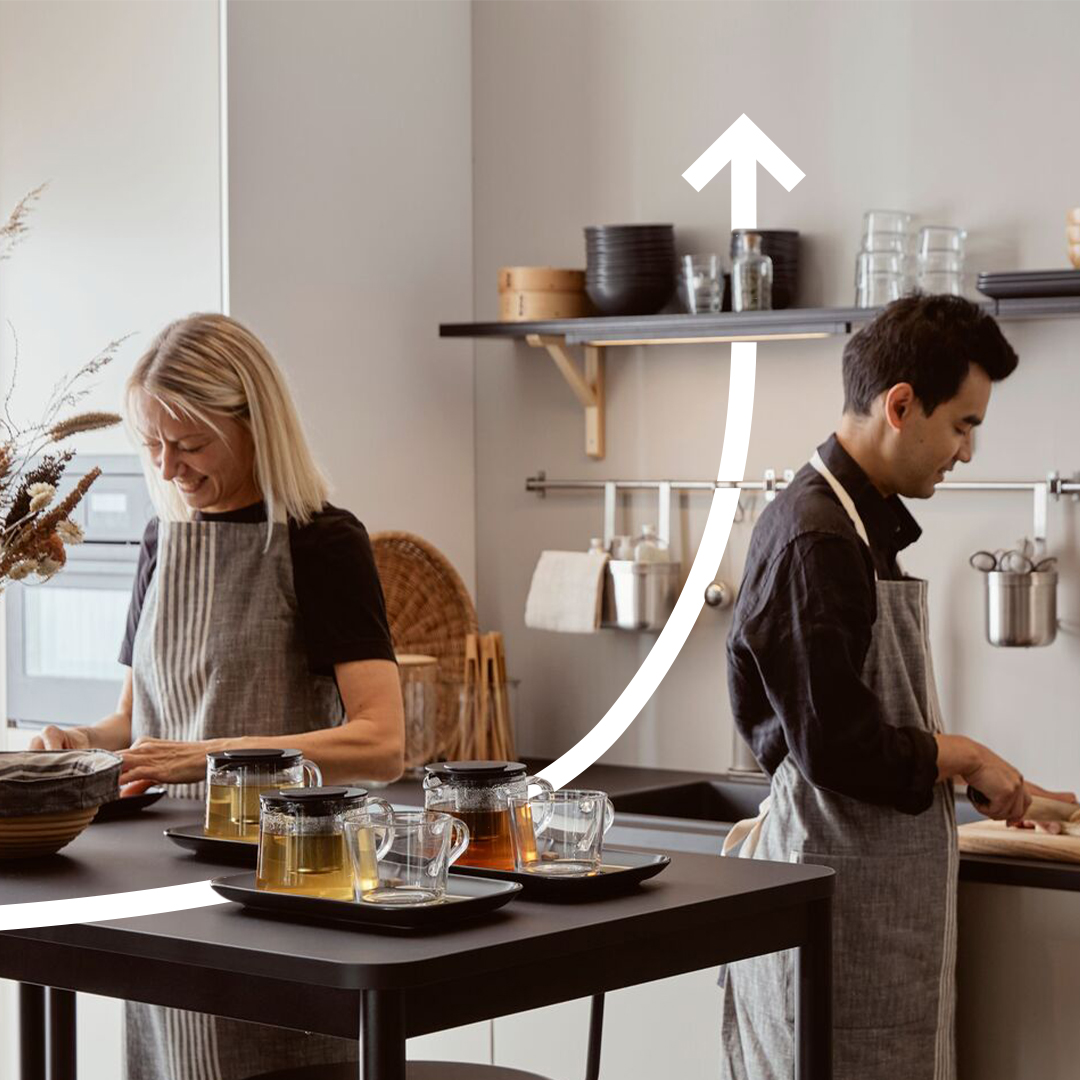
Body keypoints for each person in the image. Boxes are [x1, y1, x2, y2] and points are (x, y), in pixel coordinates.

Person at [31, 312, 405, 1080]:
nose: (168, 467)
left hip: (285, 886)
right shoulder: (161, 541)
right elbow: (134, 719)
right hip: (156, 884)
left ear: (253, 423)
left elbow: (381, 743)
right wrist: (80, 743)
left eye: (190, 444)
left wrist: (209, 758)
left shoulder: (323, 543)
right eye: (151, 444)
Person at [721, 295, 1076, 1080]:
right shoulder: (816, 537)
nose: (967, 452)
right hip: (832, 890)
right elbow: (837, 746)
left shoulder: (857, 522)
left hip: (870, 901)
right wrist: (964, 755)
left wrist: (985, 774)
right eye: (963, 426)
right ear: (901, 405)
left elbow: (864, 719)